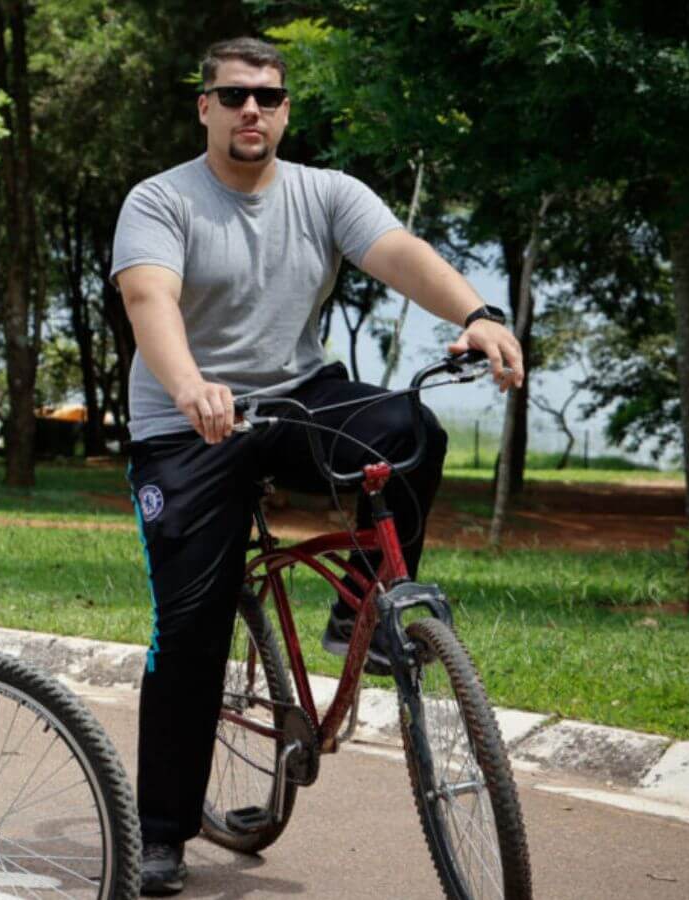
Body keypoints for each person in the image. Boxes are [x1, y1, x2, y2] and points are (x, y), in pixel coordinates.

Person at [111, 37, 524, 896]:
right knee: (189, 632)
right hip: (187, 426)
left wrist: (478, 313)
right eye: (231, 96)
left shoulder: (325, 193)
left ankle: (357, 614)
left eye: (265, 96)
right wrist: (190, 386)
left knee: (411, 433)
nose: (249, 110)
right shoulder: (160, 201)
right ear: (205, 108)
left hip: (298, 396)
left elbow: (399, 253)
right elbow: (150, 301)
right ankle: (161, 833)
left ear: (286, 109)